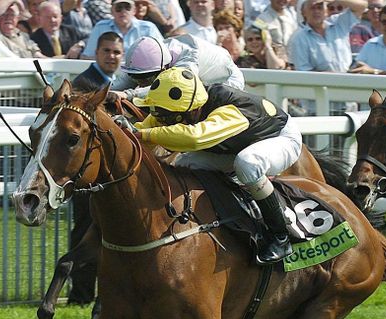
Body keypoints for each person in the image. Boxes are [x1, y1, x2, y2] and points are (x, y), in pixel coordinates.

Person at [130, 67, 301, 263]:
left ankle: (280, 236)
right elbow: (145, 128)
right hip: (235, 145)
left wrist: (145, 135)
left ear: (194, 110)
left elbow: (195, 138)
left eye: (169, 119)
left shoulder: (229, 110)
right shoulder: (178, 105)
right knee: (187, 163)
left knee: (247, 163)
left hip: (279, 138)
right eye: (160, 116)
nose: (164, 123)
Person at [112, 34, 244, 101]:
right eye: (134, 77)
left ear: (163, 68)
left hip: (225, 84)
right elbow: (119, 84)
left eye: (145, 78)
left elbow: (168, 87)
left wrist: (128, 94)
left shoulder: (188, 60)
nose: (139, 83)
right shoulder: (155, 57)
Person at [287, 0, 368, 73]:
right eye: (312, 8)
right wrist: (324, 76)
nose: (316, 11)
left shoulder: (338, 23)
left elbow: (362, 6)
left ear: (326, 11)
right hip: (320, 86)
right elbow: (303, 71)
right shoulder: (299, 38)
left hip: (348, 78)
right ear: (304, 13)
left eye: (320, 8)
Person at [81, 0, 163, 59]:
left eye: (127, 7)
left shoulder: (148, 28)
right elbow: (88, 56)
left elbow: (162, 54)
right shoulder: (100, 27)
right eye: (119, 8)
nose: (123, 11)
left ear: (134, 10)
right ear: (112, 11)